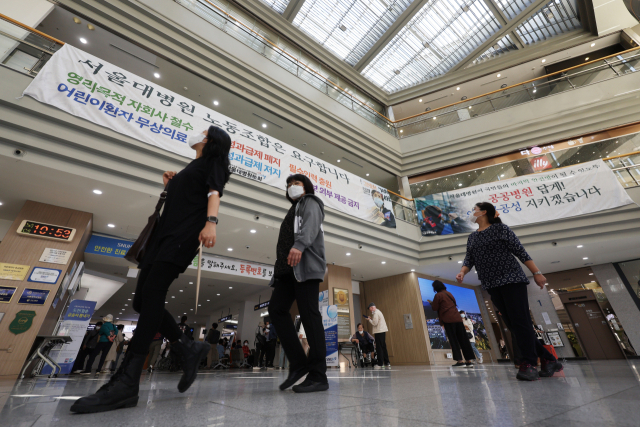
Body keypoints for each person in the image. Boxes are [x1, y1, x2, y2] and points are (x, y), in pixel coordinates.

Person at [71, 126, 231, 413]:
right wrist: (171, 182)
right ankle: (187, 347)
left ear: (210, 141)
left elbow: (214, 193)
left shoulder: (214, 161)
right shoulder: (191, 166)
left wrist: (211, 222)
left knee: (154, 292)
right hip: (162, 238)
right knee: (142, 301)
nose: (197, 133)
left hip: (182, 238)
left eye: (204, 132)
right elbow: (187, 198)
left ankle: (128, 381)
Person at [457, 201, 563, 381]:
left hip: (512, 279)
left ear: (483, 213)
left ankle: (529, 363)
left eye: (474, 210)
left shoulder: (501, 229)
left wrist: (536, 273)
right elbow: (469, 258)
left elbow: (519, 251)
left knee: (521, 322)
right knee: (514, 326)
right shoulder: (472, 237)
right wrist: (462, 271)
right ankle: (549, 359)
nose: (472, 213)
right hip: (491, 284)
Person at [268, 173, 329, 393]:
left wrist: (300, 245)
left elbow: (311, 225)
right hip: (288, 270)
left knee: (310, 317)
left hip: (304, 266)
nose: (292, 187)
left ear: (306, 187)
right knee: (276, 309)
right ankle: (298, 363)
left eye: (296, 183)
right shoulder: (293, 209)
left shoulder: (310, 201)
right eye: (289, 184)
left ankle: (318, 376)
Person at [365, 303, 390, 370]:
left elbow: (374, 323)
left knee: (379, 348)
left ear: (372, 308)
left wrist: (369, 320)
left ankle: (380, 363)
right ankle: (387, 362)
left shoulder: (376, 313)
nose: (370, 311)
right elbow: (376, 321)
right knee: (383, 346)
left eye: (370, 309)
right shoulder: (379, 312)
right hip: (382, 331)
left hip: (379, 332)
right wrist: (371, 318)